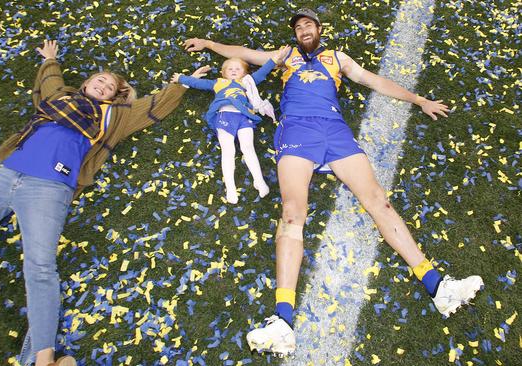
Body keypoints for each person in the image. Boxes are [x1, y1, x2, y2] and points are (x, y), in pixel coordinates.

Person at [0, 40, 207, 366]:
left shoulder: (116, 116)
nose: (105, 85)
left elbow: (153, 106)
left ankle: (42, 359)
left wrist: (180, 83)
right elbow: (51, 82)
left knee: (40, 269)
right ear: (87, 83)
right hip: (5, 176)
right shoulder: (60, 99)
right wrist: (50, 60)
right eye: (100, 79)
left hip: (49, 188)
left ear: (117, 95)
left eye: (112, 86)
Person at [184, 8, 483, 357]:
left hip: (335, 130)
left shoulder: (337, 57)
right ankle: (282, 321)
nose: (302, 30)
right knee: (293, 213)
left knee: (379, 202)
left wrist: (418, 99)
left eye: (307, 24)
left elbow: (374, 80)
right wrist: (207, 43)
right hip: (296, 129)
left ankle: (438, 287)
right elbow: (246, 54)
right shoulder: (286, 55)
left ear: (319, 29)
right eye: (298, 27)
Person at [171, 47, 289, 203]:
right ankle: (231, 188)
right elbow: (197, 83)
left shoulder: (247, 82)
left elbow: (263, 72)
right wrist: (181, 78)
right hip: (224, 116)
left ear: (244, 73)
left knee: (248, 147)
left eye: (238, 68)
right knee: (228, 151)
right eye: (229, 68)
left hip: (244, 116)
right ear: (223, 73)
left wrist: (275, 59)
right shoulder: (218, 83)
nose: (233, 71)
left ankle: (259, 181)